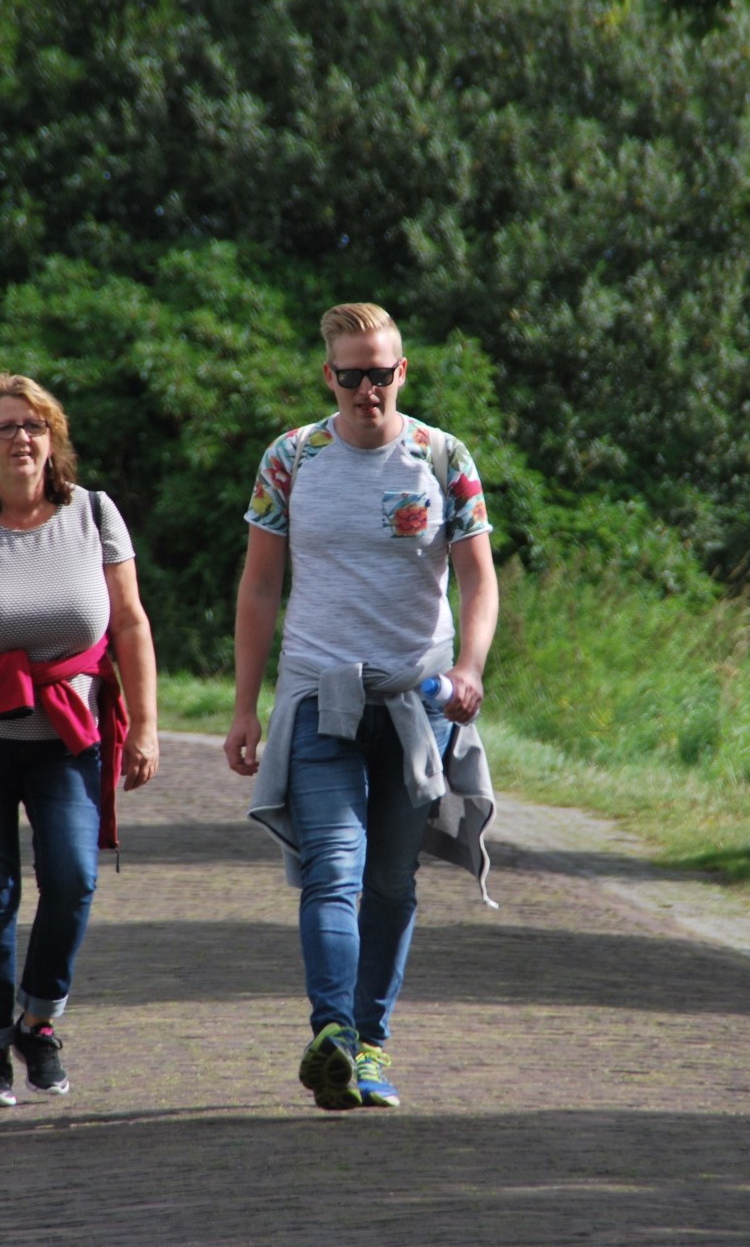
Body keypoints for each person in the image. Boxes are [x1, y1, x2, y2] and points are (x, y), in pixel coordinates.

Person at [226, 303, 500, 1111]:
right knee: (333, 867)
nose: (367, 390)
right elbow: (260, 585)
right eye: (351, 376)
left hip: (418, 701)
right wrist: (245, 705)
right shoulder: (291, 459)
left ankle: (371, 1041)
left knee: (388, 881)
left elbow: (479, 579)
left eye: (381, 374)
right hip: (321, 693)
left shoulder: (443, 458)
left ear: (401, 371)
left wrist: (470, 666)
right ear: (329, 375)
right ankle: (335, 1036)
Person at [0, 373, 160, 1109]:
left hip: (68, 735)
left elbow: (130, 622)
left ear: (53, 440)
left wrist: (147, 725)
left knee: (74, 876)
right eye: (5, 427)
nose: (21, 438)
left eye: (34, 425)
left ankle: (37, 1020)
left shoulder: (95, 514)